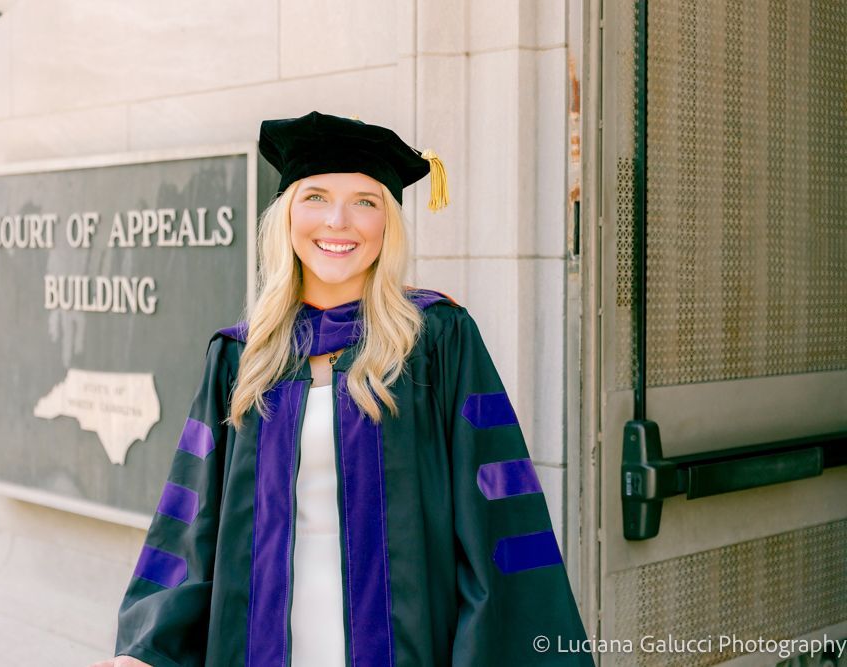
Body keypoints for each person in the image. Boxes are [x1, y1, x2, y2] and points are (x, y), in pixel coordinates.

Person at [94, 111, 593, 666]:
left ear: (388, 225)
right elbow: (189, 522)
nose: (338, 221)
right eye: (315, 197)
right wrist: (144, 651)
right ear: (286, 216)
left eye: (365, 201)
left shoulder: (437, 341)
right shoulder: (242, 355)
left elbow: (497, 518)